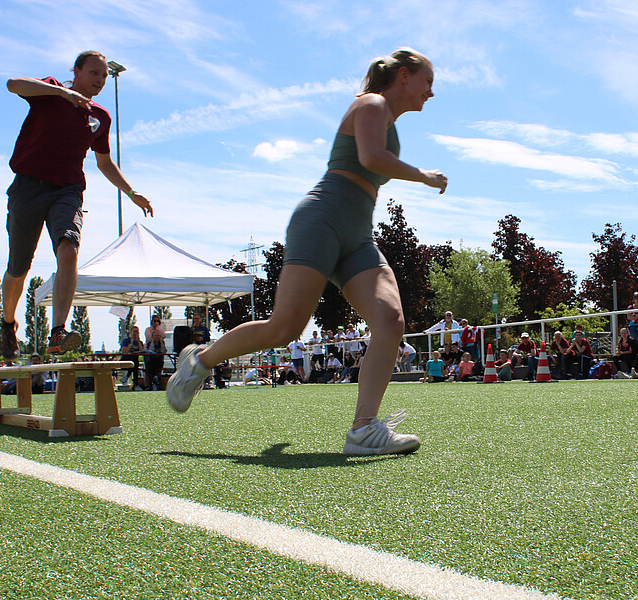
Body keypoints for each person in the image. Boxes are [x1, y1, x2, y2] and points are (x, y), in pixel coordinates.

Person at [166, 48, 444, 455]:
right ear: (403, 75)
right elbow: (370, 157)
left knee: (390, 319)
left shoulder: (389, 121)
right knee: (284, 329)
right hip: (321, 220)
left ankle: (364, 430)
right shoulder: (371, 103)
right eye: (428, 82)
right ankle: (199, 361)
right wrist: (423, 176)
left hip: (357, 235)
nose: (431, 93)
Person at [0, 51, 152, 359]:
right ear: (76, 72)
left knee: (68, 248)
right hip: (28, 186)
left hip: (67, 190)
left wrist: (131, 192)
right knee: (18, 267)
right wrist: (62, 93)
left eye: (104, 76)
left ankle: (58, 330)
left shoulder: (100, 117)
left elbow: (105, 162)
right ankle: (7, 322)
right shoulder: (51, 91)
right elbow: (13, 84)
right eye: (94, 73)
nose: (100, 80)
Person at [119, 325, 145, 389]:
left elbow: (141, 350)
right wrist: (131, 343)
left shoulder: (139, 342)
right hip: (126, 359)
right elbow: (124, 351)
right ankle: (135, 384)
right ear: (130, 332)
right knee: (134, 363)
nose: (135, 333)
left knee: (135, 363)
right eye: (134, 331)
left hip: (134, 360)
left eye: (137, 332)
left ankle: (127, 378)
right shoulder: (126, 341)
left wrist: (138, 341)